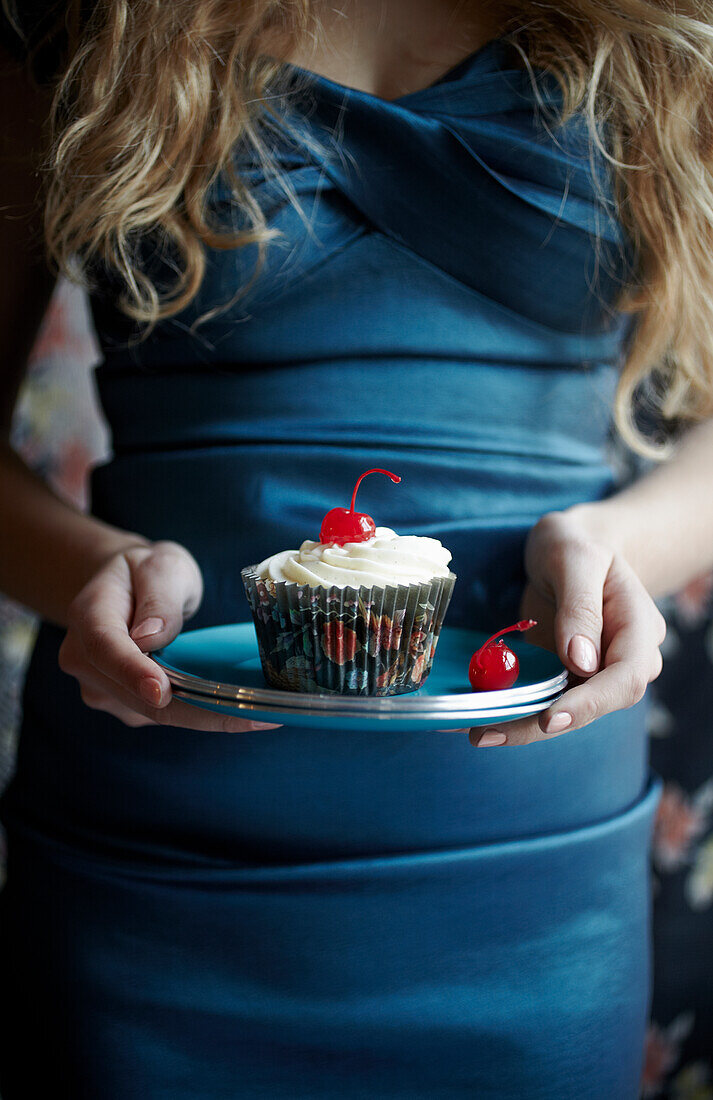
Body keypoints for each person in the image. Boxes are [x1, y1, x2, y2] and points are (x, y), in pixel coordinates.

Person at [1, 0, 712, 1095]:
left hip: (525, 849)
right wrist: (94, 565)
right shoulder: (82, 17)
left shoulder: (676, 27)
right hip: (158, 826)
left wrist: (611, 537)